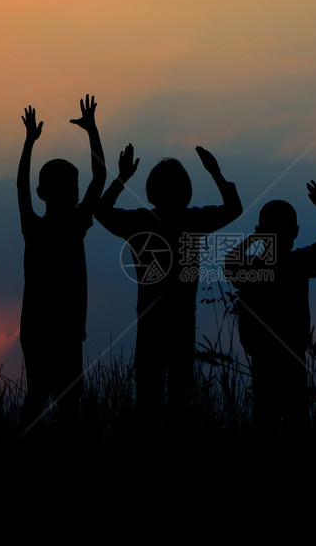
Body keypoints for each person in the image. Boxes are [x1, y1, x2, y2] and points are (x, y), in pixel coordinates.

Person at [96, 145, 242, 429]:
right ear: (186, 193)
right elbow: (233, 208)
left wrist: (122, 178)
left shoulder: (141, 222)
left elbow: (101, 212)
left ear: (151, 193)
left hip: (150, 324)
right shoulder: (193, 221)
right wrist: (215, 172)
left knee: (148, 403)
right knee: (180, 403)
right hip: (182, 324)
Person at [225, 180, 316, 436]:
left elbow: (231, 262)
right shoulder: (299, 263)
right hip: (292, 353)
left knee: (265, 420)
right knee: (296, 422)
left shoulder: (254, 269)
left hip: (262, 354)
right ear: (296, 231)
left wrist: (257, 236)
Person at [17, 95, 106, 432]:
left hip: (46, 330)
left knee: (42, 398)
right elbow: (100, 176)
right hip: (57, 331)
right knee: (60, 401)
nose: (75, 192)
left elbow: (22, 186)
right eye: (73, 187)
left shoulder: (36, 228)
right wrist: (92, 130)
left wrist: (28, 144)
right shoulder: (71, 225)